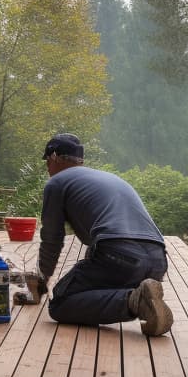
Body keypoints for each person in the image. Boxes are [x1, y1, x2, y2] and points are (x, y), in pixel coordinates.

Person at [36, 133, 173, 336]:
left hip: (120, 256)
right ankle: (142, 298)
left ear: (54, 157)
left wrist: (40, 282)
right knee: (95, 271)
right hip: (157, 260)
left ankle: (135, 302)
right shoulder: (108, 178)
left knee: (61, 301)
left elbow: (52, 239)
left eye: (47, 161)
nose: (47, 168)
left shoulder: (57, 183)